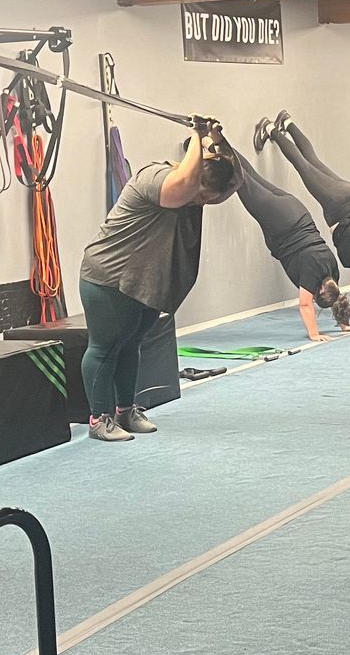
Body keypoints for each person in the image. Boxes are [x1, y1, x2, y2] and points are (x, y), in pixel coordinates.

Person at [79, 119, 240, 441]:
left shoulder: (198, 184)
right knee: (106, 348)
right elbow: (183, 185)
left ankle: (126, 410)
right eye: (202, 197)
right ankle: (99, 419)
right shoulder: (156, 180)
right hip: (110, 277)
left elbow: (233, 180)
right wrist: (196, 137)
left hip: (144, 282)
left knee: (130, 345)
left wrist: (218, 142)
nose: (202, 203)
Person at [258, 111, 350, 322]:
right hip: (337, 204)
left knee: (311, 160)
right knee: (302, 164)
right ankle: (271, 129)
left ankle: (287, 122)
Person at [234, 155, 350, 341]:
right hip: (280, 223)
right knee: (239, 180)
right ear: (320, 291)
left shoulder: (333, 274)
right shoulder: (312, 276)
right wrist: (314, 334)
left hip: (295, 209)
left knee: (252, 175)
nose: (313, 298)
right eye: (316, 297)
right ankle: (209, 144)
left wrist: (344, 324)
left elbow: (337, 300)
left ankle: (218, 139)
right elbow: (304, 305)